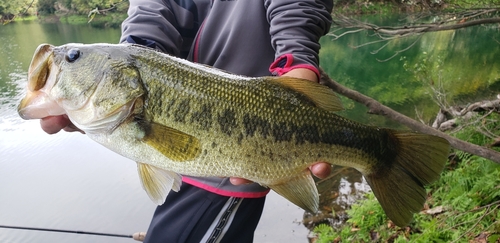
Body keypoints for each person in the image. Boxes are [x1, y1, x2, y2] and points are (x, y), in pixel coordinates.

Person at [40, 0, 334, 242]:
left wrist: (296, 59)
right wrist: (138, 48)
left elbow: (296, 9)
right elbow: (152, 13)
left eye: (74, 57)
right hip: (181, 172)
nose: (64, 59)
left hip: (236, 171)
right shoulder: (127, 84)